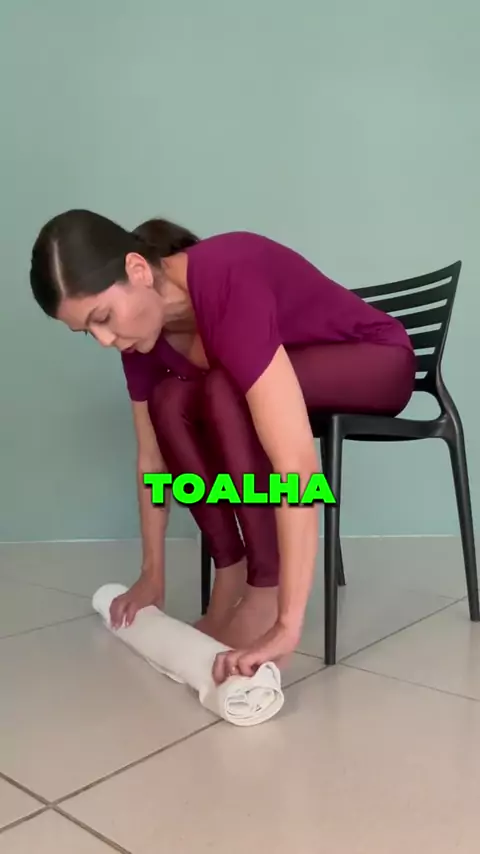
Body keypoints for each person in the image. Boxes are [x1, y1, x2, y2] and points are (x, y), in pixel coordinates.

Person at [29, 209, 416, 683]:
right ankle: (229, 569)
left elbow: (295, 463)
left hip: (375, 359)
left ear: (137, 269)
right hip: (294, 372)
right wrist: (152, 574)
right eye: (88, 332)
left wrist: (287, 623)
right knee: (169, 400)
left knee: (224, 386)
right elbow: (151, 461)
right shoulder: (139, 340)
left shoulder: (227, 275)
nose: (105, 340)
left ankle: (265, 585)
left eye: (103, 318)